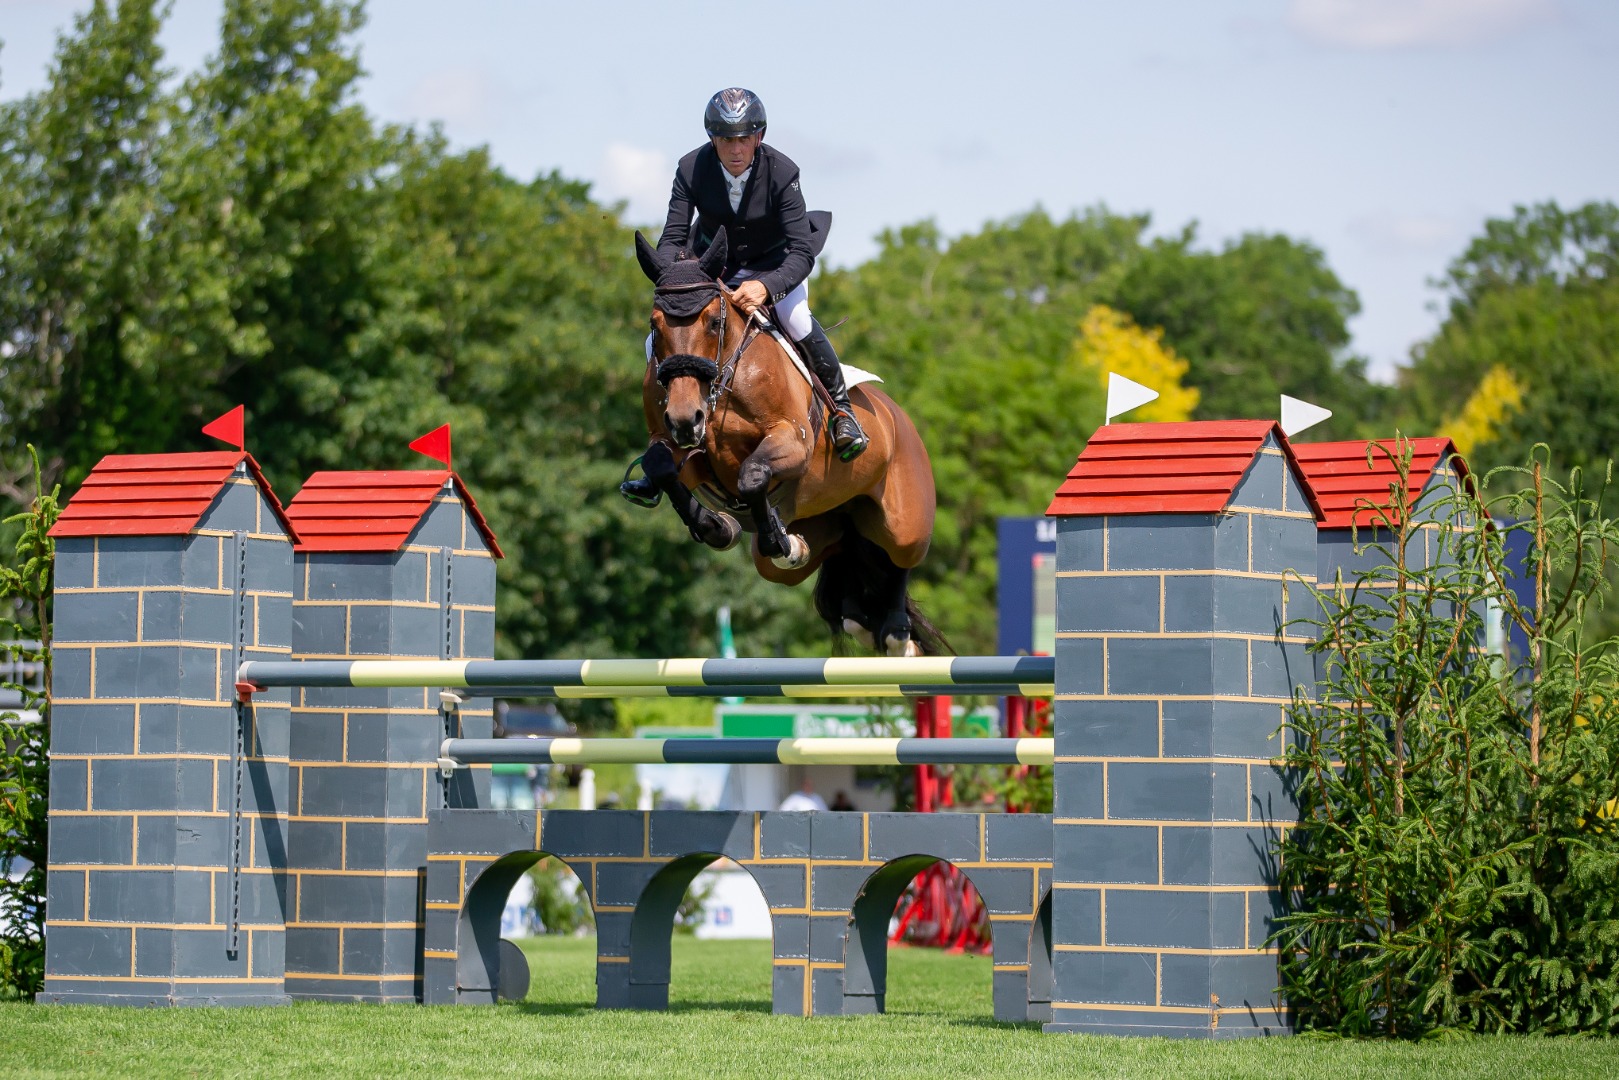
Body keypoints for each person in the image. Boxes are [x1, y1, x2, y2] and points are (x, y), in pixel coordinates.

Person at [621, 87, 867, 507]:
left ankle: (843, 413)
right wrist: (674, 277)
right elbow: (674, 235)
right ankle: (661, 444)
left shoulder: (782, 171)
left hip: (776, 266)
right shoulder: (691, 168)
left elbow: (802, 251)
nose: (735, 149)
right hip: (711, 267)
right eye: (726, 139)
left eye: (743, 139)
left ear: (758, 137)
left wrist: (767, 287)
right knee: (656, 339)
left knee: (798, 319)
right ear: (713, 139)